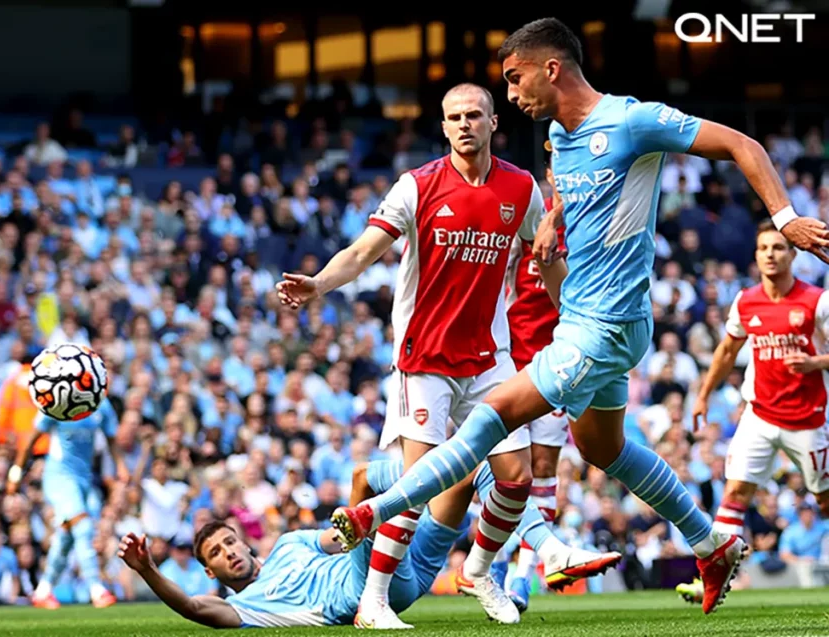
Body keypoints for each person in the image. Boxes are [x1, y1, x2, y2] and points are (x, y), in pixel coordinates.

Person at [328, 17, 829, 616]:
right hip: (584, 322)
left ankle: (372, 512)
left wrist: (783, 218)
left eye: (515, 81)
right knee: (602, 446)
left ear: (552, 68)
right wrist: (551, 217)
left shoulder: (633, 119)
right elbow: (575, 190)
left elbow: (743, 145)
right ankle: (710, 540)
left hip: (606, 325)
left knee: (491, 416)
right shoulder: (562, 140)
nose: (512, 97)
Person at [276, 82, 570, 626]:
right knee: (424, 483)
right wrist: (318, 285)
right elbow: (364, 251)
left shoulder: (521, 188)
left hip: (488, 357)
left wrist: (570, 315)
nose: (464, 124)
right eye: (454, 117)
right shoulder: (416, 186)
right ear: (443, 127)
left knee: (517, 476)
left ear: (492, 122)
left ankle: (479, 571)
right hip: (425, 359)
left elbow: (546, 260)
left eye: (474, 115)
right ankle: (374, 600)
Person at [117, 457, 613, 629]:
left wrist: (357, 523)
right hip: (362, 587)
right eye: (217, 555)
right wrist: (148, 571)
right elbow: (193, 610)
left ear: (244, 542)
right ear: (213, 572)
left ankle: (485, 567)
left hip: (399, 570)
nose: (228, 553)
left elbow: (340, 536)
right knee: (369, 493)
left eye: (229, 542)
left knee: (475, 470)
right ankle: (543, 552)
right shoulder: (247, 606)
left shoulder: (290, 543)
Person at [677, 223, 829, 603]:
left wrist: (815, 362)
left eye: (778, 247)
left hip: (808, 420)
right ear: (756, 254)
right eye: (763, 247)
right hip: (759, 415)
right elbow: (727, 351)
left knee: (825, 500)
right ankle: (715, 578)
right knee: (734, 493)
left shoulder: (817, 301)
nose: (770, 254)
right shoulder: (746, 300)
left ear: (793, 254)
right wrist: (702, 396)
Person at [494, 154, 570, 611]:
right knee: (508, 473)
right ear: (550, 175)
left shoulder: (593, 226)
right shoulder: (527, 219)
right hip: (509, 362)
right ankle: (496, 556)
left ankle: (524, 575)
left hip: (560, 364)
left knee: (542, 467)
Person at [7, 397, 128, 609]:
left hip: (84, 479)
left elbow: (111, 438)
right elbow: (32, 438)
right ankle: (96, 589)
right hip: (59, 476)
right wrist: (16, 473)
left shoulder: (101, 403)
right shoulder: (58, 399)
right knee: (83, 527)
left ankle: (43, 591)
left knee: (65, 538)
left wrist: (121, 466)